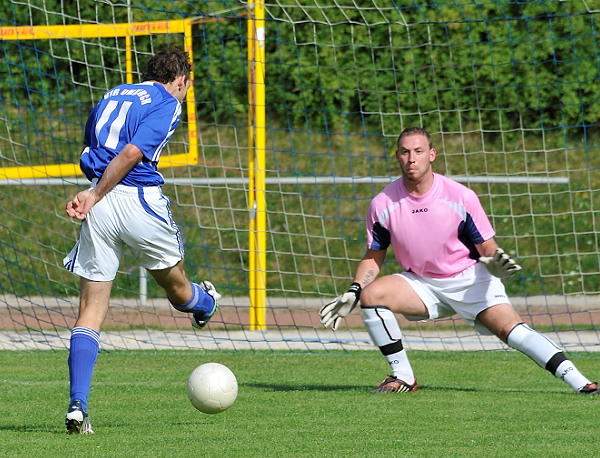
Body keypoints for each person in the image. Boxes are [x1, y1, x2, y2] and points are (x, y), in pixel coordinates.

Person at [320, 126, 598, 395]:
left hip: (469, 279)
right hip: (421, 284)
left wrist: (494, 261)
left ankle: (581, 383)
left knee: (511, 331)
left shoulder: (460, 196)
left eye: (418, 151)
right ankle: (403, 376)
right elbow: (374, 256)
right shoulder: (382, 204)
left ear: (432, 154)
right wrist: (355, 289)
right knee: (372, 295)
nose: (411, 158)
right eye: (405, 152)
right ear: (397, 156)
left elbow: (486, 245)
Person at [62, 48, 221, 434]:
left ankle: (78, 405)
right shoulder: (168, 101)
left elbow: (88, 147)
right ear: (180, 81)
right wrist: (97, 193)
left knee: (90, 309)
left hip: (99, 204)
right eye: (187, 86)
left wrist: (93, 192)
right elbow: (133, 152)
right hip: (137, 201)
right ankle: (206, 303)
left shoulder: (113, 93)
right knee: (177, 286)